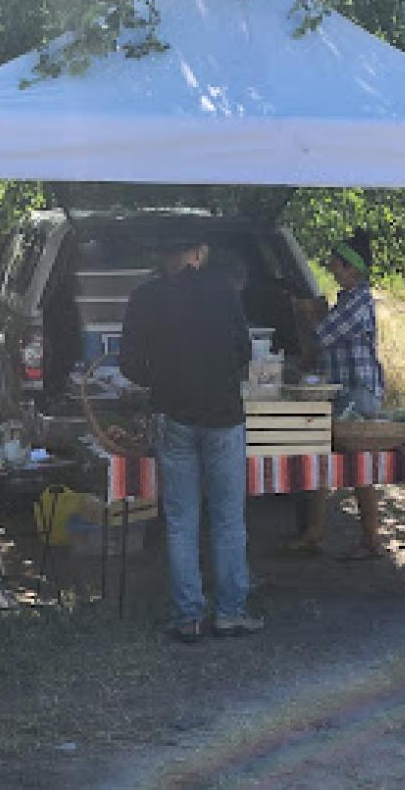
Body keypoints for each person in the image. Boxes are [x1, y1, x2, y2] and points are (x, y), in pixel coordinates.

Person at [120, 238, 261, 643]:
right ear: (195, 255)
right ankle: (230, 613)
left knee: (182, 521)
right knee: (229, 520)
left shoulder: (144, 297)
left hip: (173, 415)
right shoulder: (223, 289)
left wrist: (160, 381)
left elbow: (129, 364)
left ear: (162, 255)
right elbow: (243, 350)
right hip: (223, 415)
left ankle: (188, 617)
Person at [284, 230, 386, 560]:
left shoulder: (358, 303)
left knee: (355, 466)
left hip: (358, 395)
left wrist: (306, 312)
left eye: (337, 266)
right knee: (324, 456)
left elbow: (321, 336)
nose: (332, 270)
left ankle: (369, 539)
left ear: (352, 270)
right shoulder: (346, 299)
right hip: (343, 394)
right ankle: (317, 532)